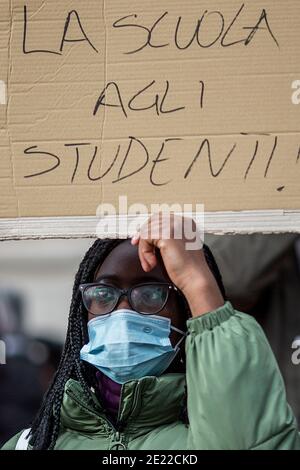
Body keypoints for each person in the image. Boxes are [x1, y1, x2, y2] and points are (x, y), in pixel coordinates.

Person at [2, 213, 300, 450]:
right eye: (103, 294)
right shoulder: (31, 444)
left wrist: (198, 282)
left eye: (151, 295)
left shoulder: (221, 435)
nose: (122, 313)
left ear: (186, 316)